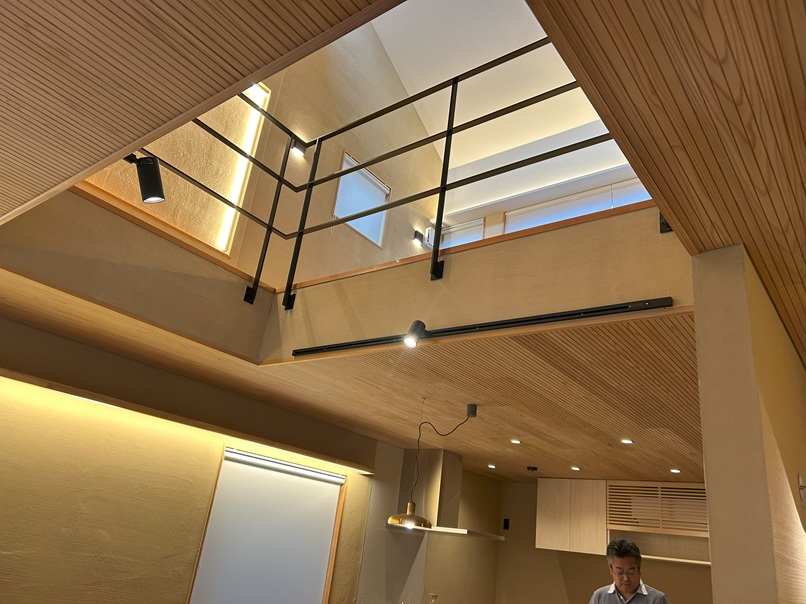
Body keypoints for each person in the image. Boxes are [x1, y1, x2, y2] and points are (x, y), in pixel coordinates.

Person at [589, 538, 669, 604]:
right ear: (611, 569)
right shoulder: (599, 597)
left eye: (631, 572)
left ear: (639, 569)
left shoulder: (658, 600)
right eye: (620, 572)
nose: (626, 578)